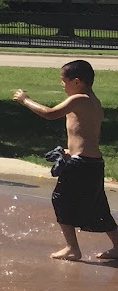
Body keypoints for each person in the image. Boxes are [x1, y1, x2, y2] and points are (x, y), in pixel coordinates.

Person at [13, 60, 118, 263]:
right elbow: (86, 134)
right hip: (92, 162)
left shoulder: (78, 99)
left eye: (63, 80)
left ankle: (72, 248)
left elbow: (50, 113)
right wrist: (70, 151)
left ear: (77, 82)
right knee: (98, 205)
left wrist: (25, 100)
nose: (62, 84)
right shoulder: (92, 101)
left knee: (60, 198)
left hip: (81, 163)